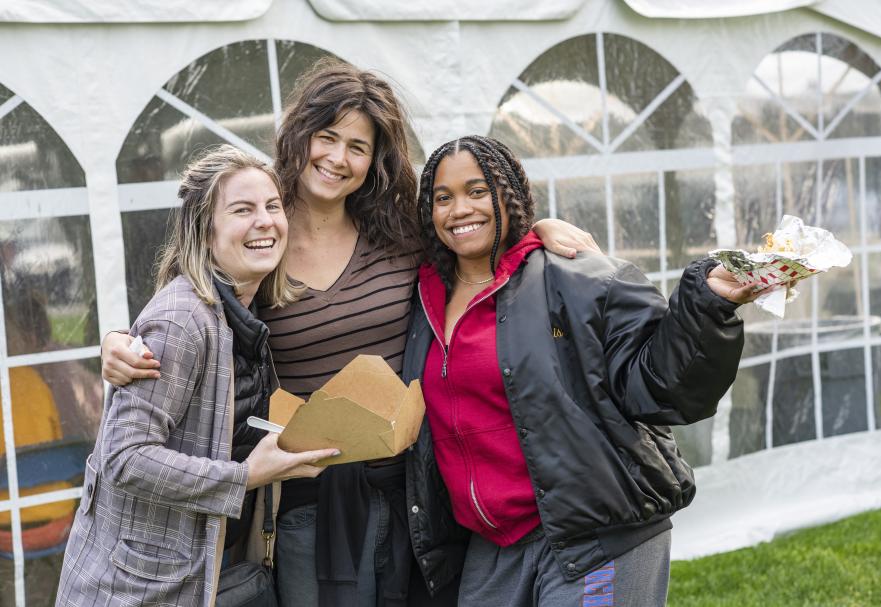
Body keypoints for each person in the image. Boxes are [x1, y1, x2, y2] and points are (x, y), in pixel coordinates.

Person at [99, 60, 599, 606]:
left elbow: (477, 246)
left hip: (413, 488)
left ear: (375, 160)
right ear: (299, 135)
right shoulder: (263, 230)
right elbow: (192, 299)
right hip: (302, 503)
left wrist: (535, 232)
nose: (338, 158)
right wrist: (119, 341)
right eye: (326, 136)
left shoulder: (399, 230)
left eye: (357, 147)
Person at [400, 135, 758, 606]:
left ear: (509, 193)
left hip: (595, 533)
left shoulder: (576, 278)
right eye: (443, 198)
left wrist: (707, 306)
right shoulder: (422, 298)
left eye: (478, 190)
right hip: (492, 547)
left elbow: (661, 387)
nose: (459, 209)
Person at [56, 146, 339, 607]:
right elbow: (124, 458)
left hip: (201, 569)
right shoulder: (183, 321)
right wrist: (245, 476)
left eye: (272, 206)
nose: (265, 221)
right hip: (137, 588)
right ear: (205, 233)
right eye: (242, 210)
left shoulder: (241, 309)